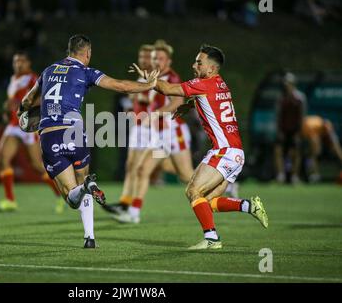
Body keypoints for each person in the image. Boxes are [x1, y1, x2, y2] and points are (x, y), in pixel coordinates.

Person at [18, 34, 159, 248]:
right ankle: (89, 236)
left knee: (69, 194)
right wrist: (149, 85)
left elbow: (28, 100)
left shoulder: (48, 70)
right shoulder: (86, 71)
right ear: (87, 53)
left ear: (69, 50)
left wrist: (22, 113)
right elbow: (120, 86)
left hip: (50, 134)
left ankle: (86, 189)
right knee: (81, 180)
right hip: (75, 132)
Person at [133, 44, 268, 250]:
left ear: (211, 68)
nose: (194, 65)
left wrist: (148, 79)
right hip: (235, 152)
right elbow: (207, 100)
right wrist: (189, 105)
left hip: (224, 151)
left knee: (193, 191)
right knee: (207, 201)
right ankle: (249, 205)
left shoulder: (202, 84)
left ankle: (212, 239)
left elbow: (167, 89)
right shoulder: (219, 83)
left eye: (199, 62)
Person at [112, 40, 194, 224]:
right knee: (143, 169)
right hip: (159, 134)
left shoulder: (172, 78)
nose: (158, 61)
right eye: (155, 58)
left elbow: (176, 103)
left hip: (174, 132)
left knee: (185, 175)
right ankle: (133, 213)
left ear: (169, 61)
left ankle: (224, 187)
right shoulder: (152, 78)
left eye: (162, 58)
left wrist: (156, 113)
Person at [0, 52, 60, 212]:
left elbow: (44, 97)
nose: (18, 64)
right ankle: (10, 200)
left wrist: (23, 104)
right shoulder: (13, 79)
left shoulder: (32, 78)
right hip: (14, 124)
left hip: (29, 125)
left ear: (28, 63)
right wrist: (8, 109)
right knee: (2, 158)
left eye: (22, 61)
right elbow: (13, 102)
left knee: (37, 165)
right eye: (16, 61)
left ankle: (60, 193)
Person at [101, 43, 154, 215]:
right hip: (138, 127)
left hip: (153, 129)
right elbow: (134, 101)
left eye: (147, 57)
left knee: (144, 168)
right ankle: (125, 203)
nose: (143, 60)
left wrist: (139, 95)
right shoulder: (141, 78)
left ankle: (132, 207)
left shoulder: (156, 78)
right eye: (142, 56)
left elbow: (152, 100)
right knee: (131, 165)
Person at [274, 72, 307, 184]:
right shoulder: (281, 98)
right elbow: (278, 116)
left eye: (288, 83)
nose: (286, 85)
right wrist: (279, 131)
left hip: (295, 130)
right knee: (278, 151)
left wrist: (299, 132)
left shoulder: (300, 98)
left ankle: (294, 176)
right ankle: (281, 175)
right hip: (283, 130)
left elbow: (302, 116)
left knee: (296, 152)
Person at [302, 115, 342, 183]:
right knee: (313, 155)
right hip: (310, 135)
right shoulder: (308, 128)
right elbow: (314, 143)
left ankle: (314, 174)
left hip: (318, 131)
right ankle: (314, 174)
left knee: (336, 149)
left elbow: (334, 142)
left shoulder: (324, 126)